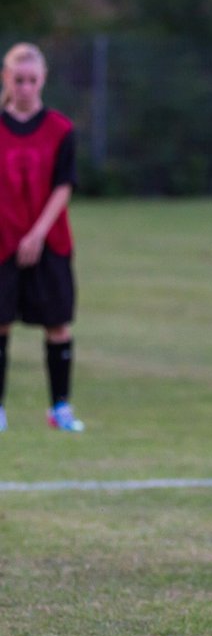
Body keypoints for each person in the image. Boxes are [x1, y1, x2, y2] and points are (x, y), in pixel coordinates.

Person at [0, 42, 83, 433]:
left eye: (32, 80)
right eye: (18, 79)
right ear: (6, 79)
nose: (25, 87)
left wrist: (36, 233)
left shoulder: (60, 129)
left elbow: (63, 186)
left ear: (43, 80)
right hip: (3, 239)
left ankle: (60, 409)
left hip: (49, 240)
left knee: (58, 324)